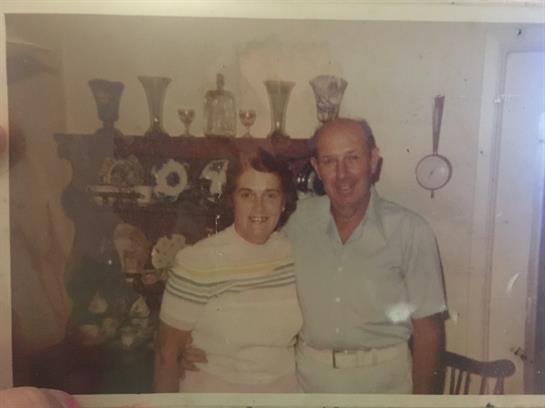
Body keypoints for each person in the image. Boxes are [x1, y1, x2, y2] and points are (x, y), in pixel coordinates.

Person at [284, 117, 447, 394]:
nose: (342, 174)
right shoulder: (297, 222)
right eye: (329, 161)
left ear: (373, 160)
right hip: (308, 383)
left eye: (352, 158)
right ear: (316, 168)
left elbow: (429, 333)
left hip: (385, 385)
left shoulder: (410, 231)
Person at [154, 149, 301, 392]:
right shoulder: (197, 261)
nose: (259, 207)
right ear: (232, 199)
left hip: (284, 393)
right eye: (247, 195)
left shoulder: (295, 253)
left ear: (284, 202)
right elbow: (166, 355)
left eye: (270, 195)